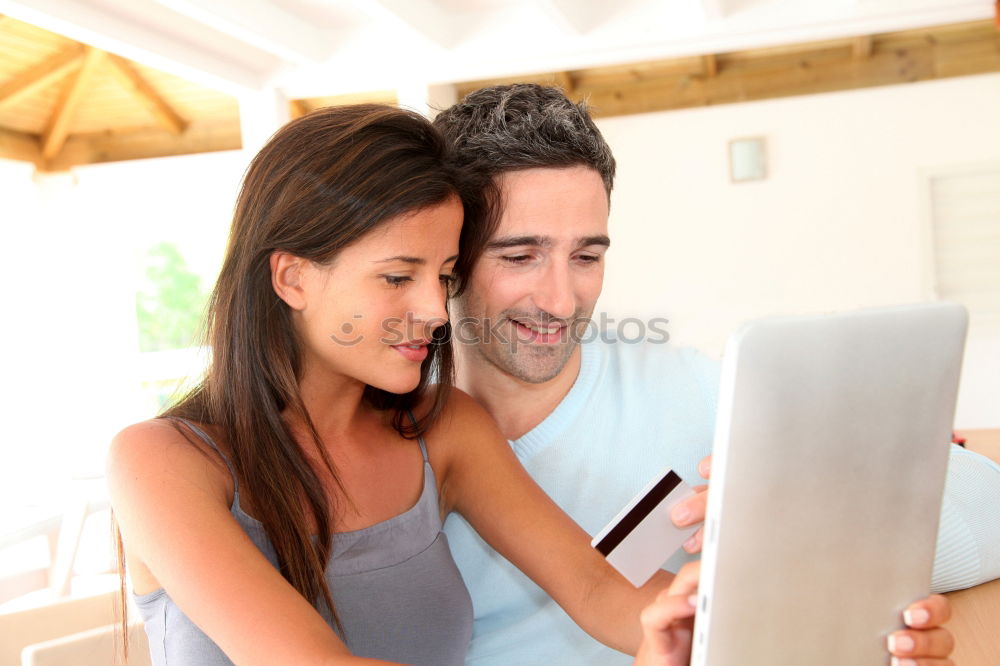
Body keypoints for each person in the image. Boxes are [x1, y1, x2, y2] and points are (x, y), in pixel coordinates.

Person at [434, 83, 998, 664]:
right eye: (520, 256)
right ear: (450, 257)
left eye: (586, 257)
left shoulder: (701, 393)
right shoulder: (386, 429)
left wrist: (796, 523)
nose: (560, 300)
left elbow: (988, 506)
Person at [106, 104, 690, 665]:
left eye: (442, 276)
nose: (437, 309)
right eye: (397, 276)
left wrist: (705, 603)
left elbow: (594, 586)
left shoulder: (445, 430)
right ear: (292, 277)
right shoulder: (162, 461)